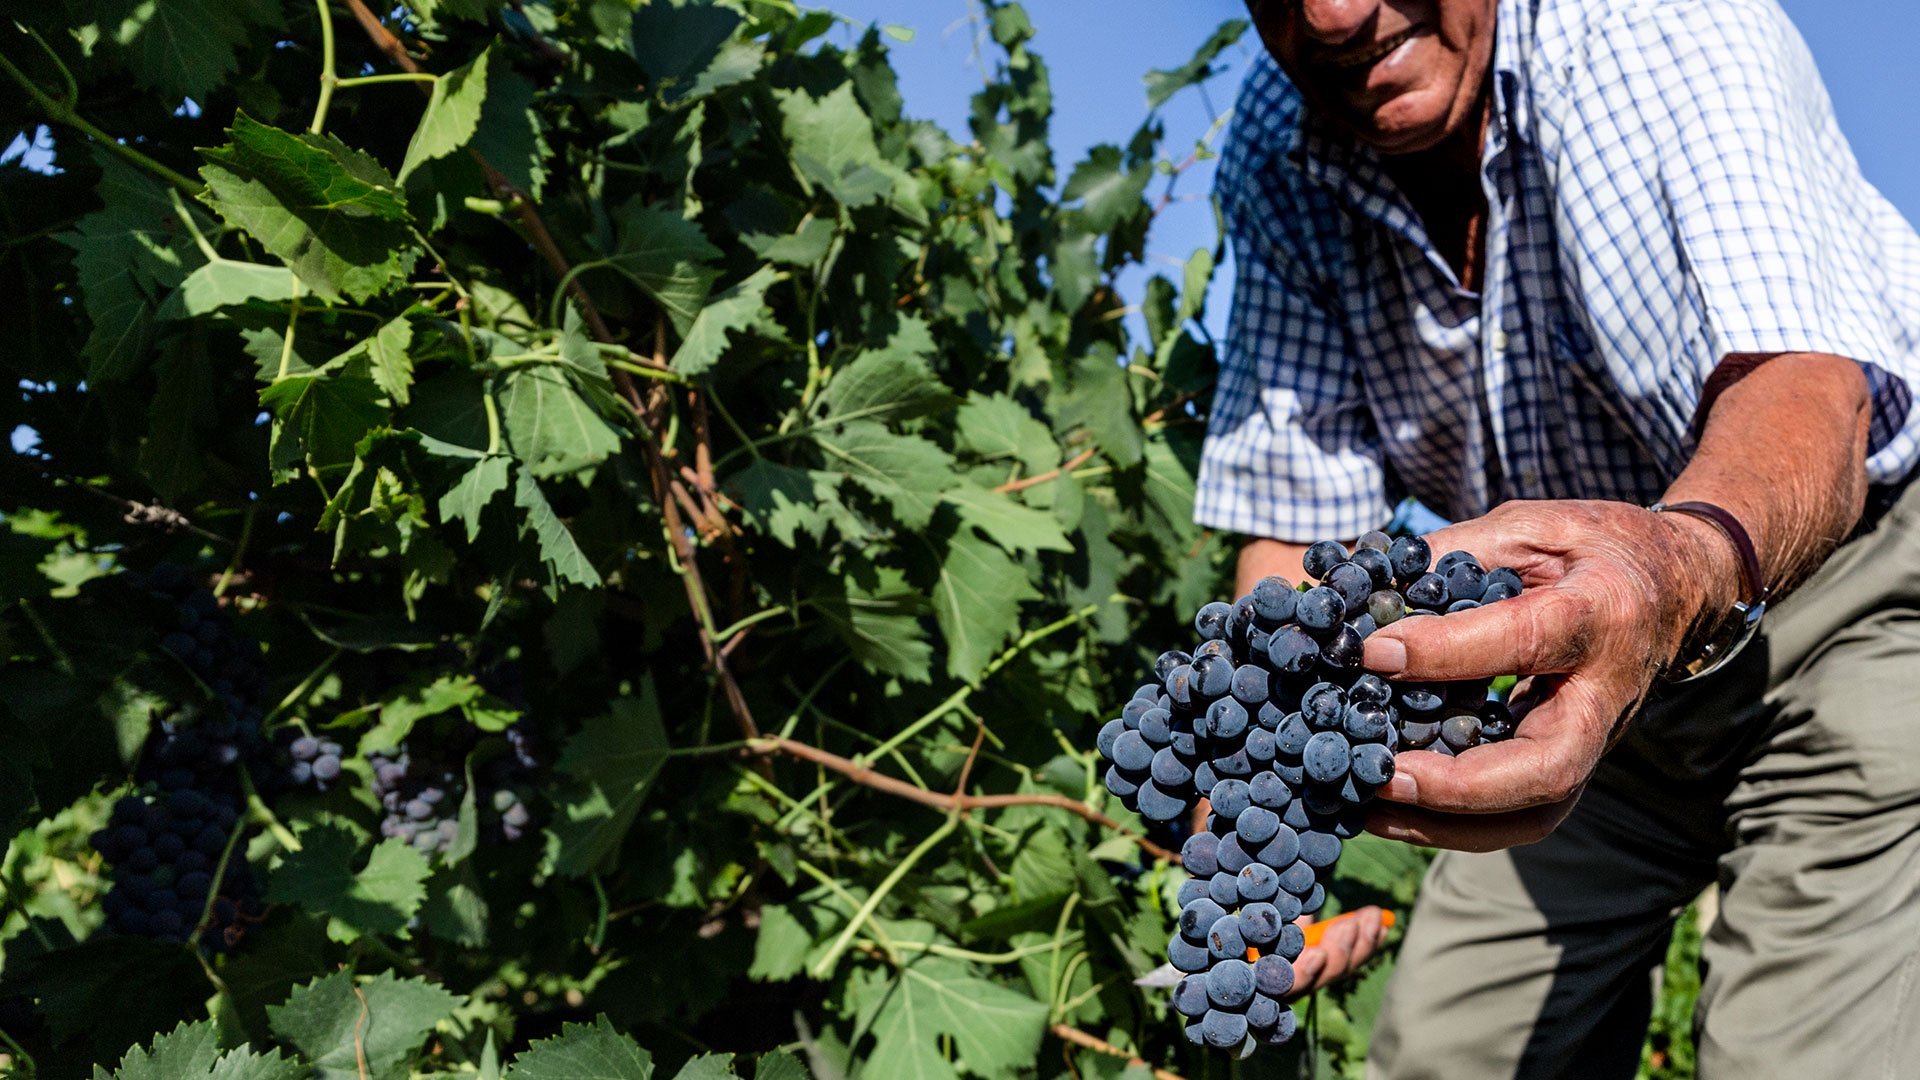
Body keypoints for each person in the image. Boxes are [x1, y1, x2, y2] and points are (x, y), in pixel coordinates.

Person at [1198, 0, 1920, 1075]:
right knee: (1449, 1055)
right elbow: (1300, 540)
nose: (1338, 12)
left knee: (1795, 1061)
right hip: (1568, 655)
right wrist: (1254, 823)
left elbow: (1810, 393)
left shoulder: (1657, 23)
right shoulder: (1281, 137)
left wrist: (1673, 570)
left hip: (1834, 599)